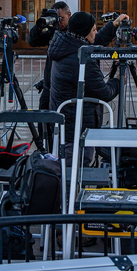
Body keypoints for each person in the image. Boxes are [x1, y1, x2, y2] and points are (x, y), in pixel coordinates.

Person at [48, 11, 120, 165]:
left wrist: (113, 25)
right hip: (75, 128)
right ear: (85, 33)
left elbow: (95, 41)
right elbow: (105, 93)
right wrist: (118, 80)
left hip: (66, 123)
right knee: (76, 170)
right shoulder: (81, 60)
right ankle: (71, 189)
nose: (96, 32)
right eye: (93, 29)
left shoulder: (67, 44)